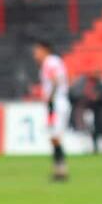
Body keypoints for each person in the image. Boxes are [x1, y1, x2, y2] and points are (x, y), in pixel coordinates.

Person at [32, 38, 70, 181]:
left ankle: (61, 170)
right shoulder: (54, 61)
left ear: (44, 50)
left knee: (55, 136)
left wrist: (51, 98)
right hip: (58, 102)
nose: (35, 54)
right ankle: (59, 170)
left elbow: (55, 80)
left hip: (57, 103)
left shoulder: (50, 62)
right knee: (54, 137)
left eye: (37, 51)